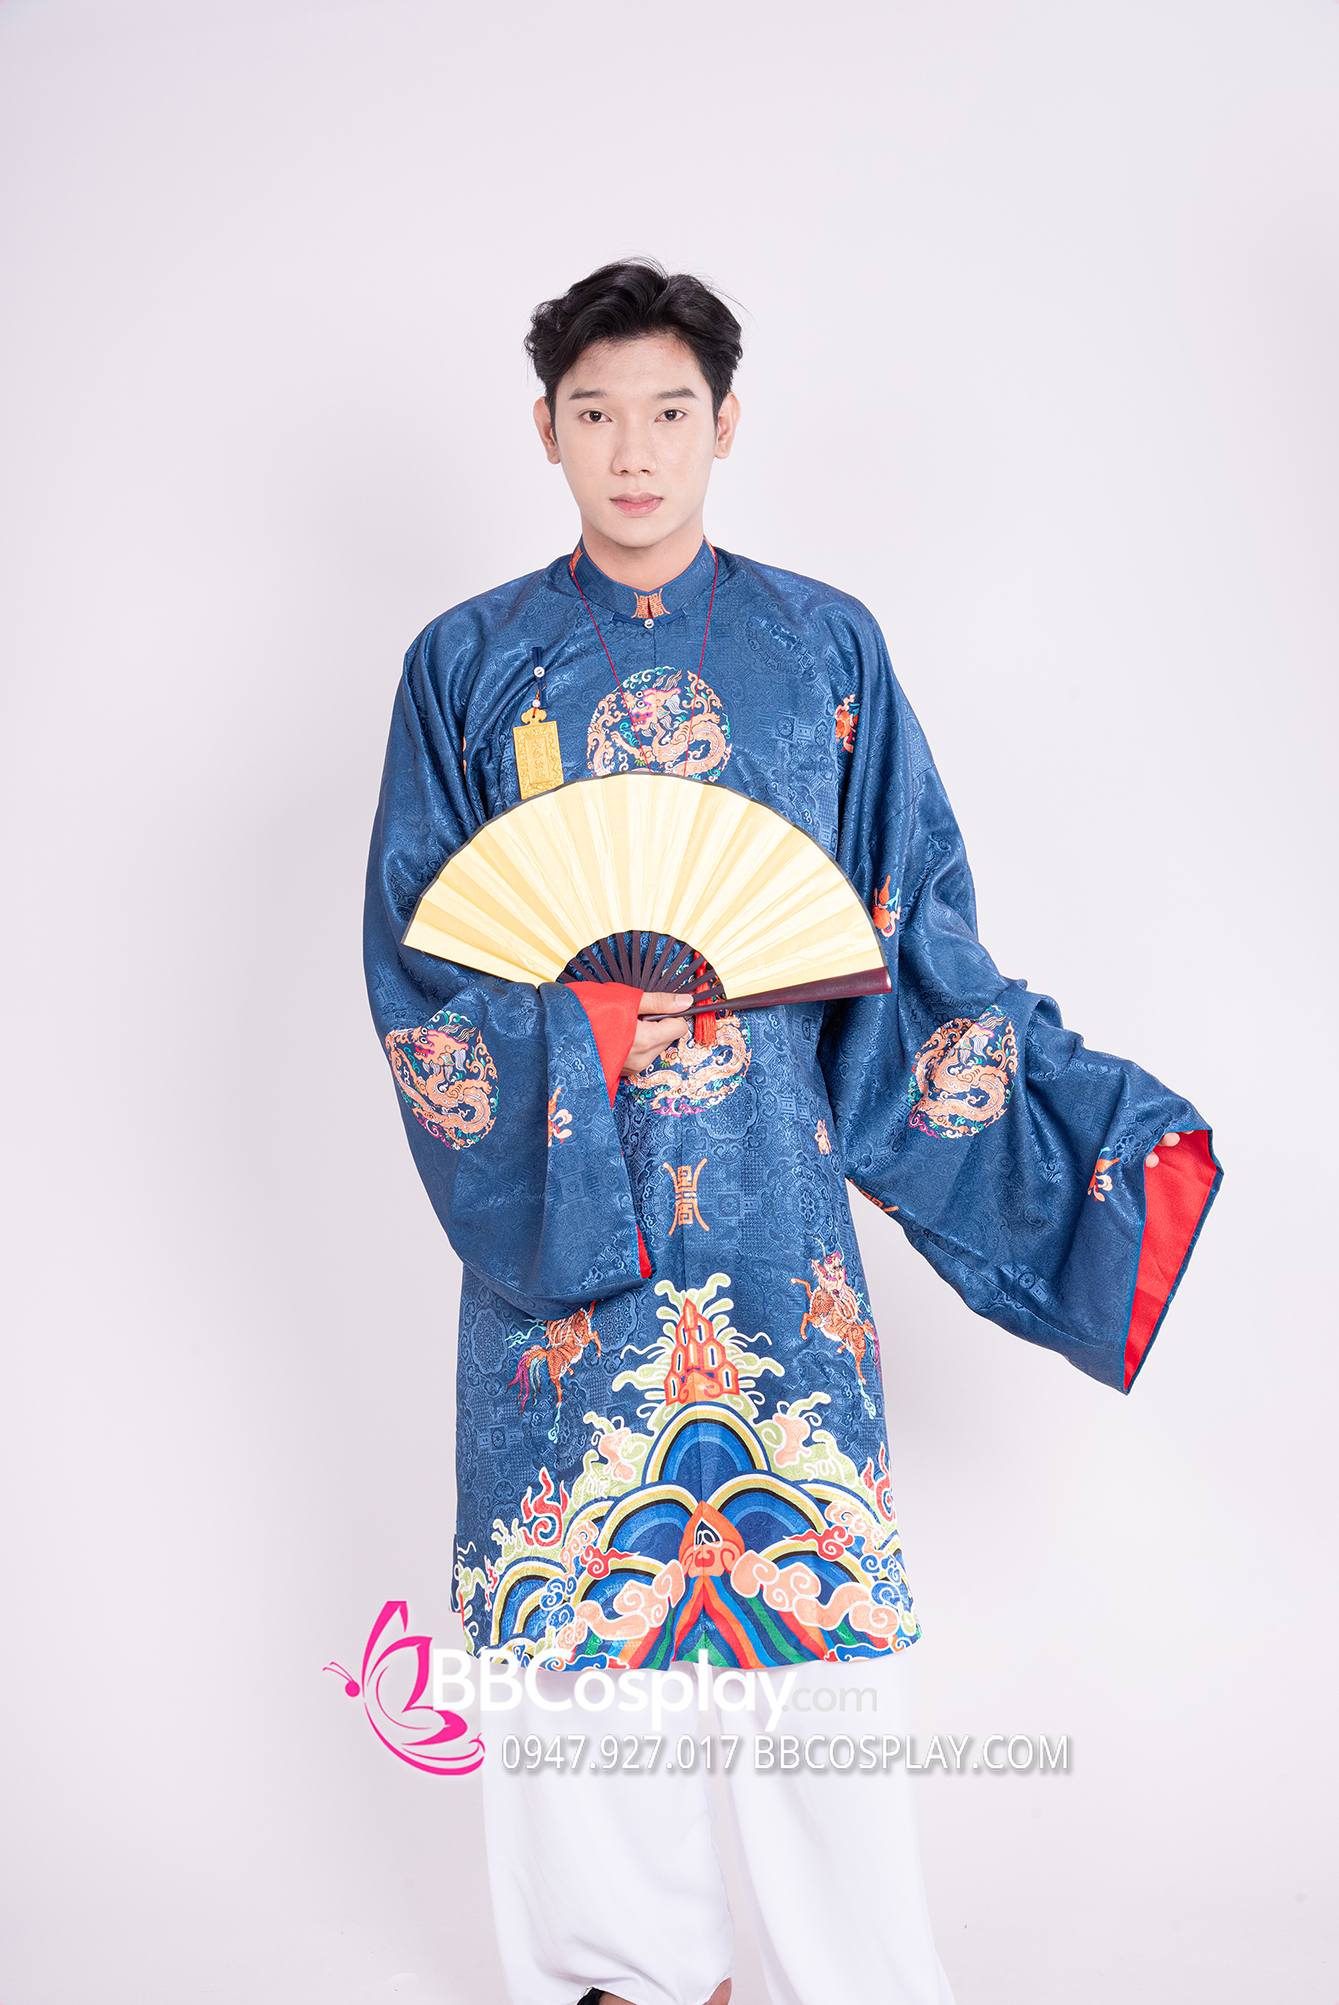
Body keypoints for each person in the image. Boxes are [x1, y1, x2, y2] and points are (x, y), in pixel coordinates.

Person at [363, 261, 1220, 2005]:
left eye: (669, 411)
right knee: (576, 1626)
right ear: (544, 430)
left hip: (774, 1210)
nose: (634, 450)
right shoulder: (463, 665)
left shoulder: (828, 649)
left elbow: (912, 936)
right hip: (563, 1208)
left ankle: (860, 1977)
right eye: (596, 412)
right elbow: (424, 973)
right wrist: (593, 1024)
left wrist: (1089, 1125)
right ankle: (624, 1973)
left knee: (807, 1619)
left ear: (728, 423)